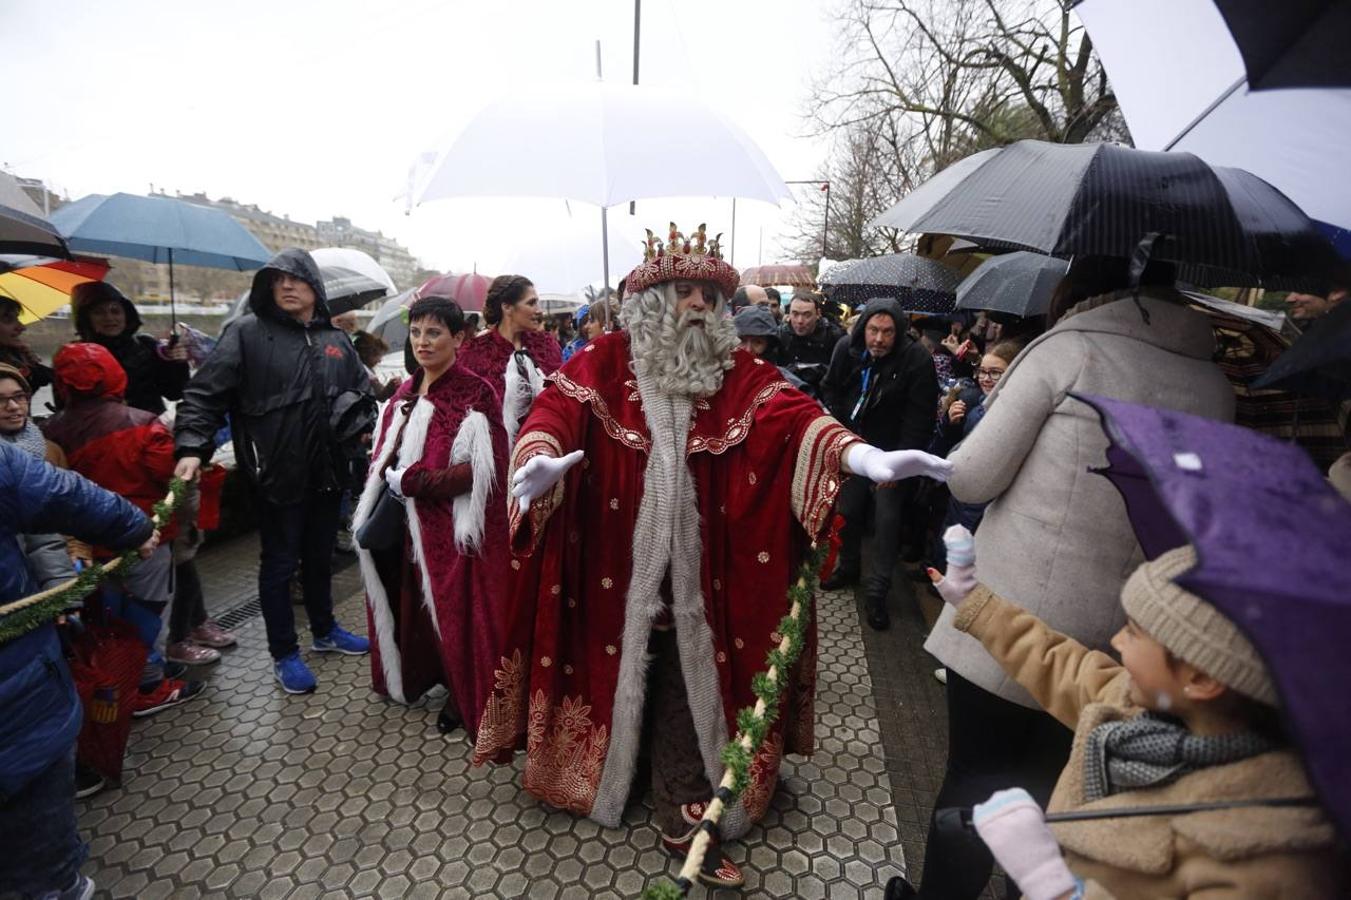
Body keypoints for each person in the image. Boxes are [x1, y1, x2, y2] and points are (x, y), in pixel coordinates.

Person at [471, 224, 953, 888]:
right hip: (612, 561)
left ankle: (683, 800)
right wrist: (539, 457)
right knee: (611, 662)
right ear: (651, 300)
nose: (699, 303)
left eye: (709, 294)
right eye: (684, 291)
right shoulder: (601, 361)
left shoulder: (738, 371)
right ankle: (609, 772)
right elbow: (553, 413)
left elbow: (796, 417)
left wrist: (860, 456)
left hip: (706, 572)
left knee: (682, 670)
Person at [917, 258, 1238, 899]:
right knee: (1056, 793)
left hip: (1010, 617)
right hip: (1126, 637)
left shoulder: (1068, 351)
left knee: (976, 781)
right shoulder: (1216, 384)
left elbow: (972, 478)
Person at [885, 536, 1348, 899]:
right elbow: (1061, 665)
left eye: (1135, 631)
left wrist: (1050, 882)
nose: (1117, 641)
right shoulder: (1142, 707)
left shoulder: (1262, 858)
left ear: (1202, 677)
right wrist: (977, 605)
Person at [173, 248, 373, 695]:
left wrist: (361, 426)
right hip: (275, 475)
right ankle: (284, 652)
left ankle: (325, 630)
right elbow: (204, 394)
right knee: (280, 565)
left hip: (330, 472)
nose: (286, 285)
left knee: (320, 557)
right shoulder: (246, 333)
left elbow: (361, 394)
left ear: (314, 286)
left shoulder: (336, 339)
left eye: (296, 278)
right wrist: (191, 446)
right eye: (276, 279)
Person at [0, 441, 157, 900]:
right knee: (39, 855)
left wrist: (59, 585)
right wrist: (135, 528)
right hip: (18, 708)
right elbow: (63, 494)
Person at [355, 296, 508, 737]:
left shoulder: (475, 392)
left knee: (456, 615)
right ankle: (424, 675)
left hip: (451, 532)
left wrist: (416, 481)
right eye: (416, 332)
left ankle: (464, 696)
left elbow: (485, 470)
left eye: (434, 333)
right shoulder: (405, 391)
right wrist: (390, 475)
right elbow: (384, 457)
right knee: (413, 607)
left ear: (458, 338)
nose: (422, 342)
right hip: (404, 526)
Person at [43, 343, 207, 714]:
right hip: (144, 535)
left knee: (110, 615)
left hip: (88, 545)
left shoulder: (51, 432)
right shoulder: (140, 422)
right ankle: (148, 684)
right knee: (149, 610)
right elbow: (170, 475)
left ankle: (123, 676)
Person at [819, 297, 940, 630]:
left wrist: (898, 466)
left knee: (887, 522)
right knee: (848, 512)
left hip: (891, 453)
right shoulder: (847, 348)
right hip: (853, 448)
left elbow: (920, 419)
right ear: (864, 328)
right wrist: (839, 431)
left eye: (887, 332)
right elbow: (830, 387)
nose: (879, 339)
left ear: (898, 332)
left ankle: (878, 590)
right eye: (873, 330)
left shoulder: (916, 359)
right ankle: (848, 567)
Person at [458, 275, 561, 445]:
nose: (539, 310)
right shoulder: (474, 353)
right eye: (531, 303)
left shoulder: (546, 345)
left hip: (544, 444)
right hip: (494, 451)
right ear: (507, 307)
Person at [0, 364, 74, 592]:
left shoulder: (48, 450)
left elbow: (66, 510)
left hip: (38, 585)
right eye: (0, 400)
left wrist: (62, 590)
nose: (13, 407)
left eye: (19, 397)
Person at [70, 281, 190, 416]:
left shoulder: (146, 345)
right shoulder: (75, 356)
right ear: (86, 318)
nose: (109, 318)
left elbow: (174, 393)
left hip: (151, 425)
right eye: (99, 312)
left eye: (115, 311)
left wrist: (176, 363)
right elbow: (69, 408)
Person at [777, 293, 844, 396]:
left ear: (818, 314)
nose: (800, 321)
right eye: (795, 314)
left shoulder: (834, 336)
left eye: (807, 315)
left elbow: (842, 373)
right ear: (789, 314)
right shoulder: (780, 335)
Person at [733, 305, 809, 392]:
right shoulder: (722, 376)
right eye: (741, 341)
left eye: (758, 342)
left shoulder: (786, 384)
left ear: (769, 347)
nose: (748, 349)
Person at [0, 296, 53, 396]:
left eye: (17, 318)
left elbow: (49, 377)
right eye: (8, 319)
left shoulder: (14, 356)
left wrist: (32, 366)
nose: (22, 327)